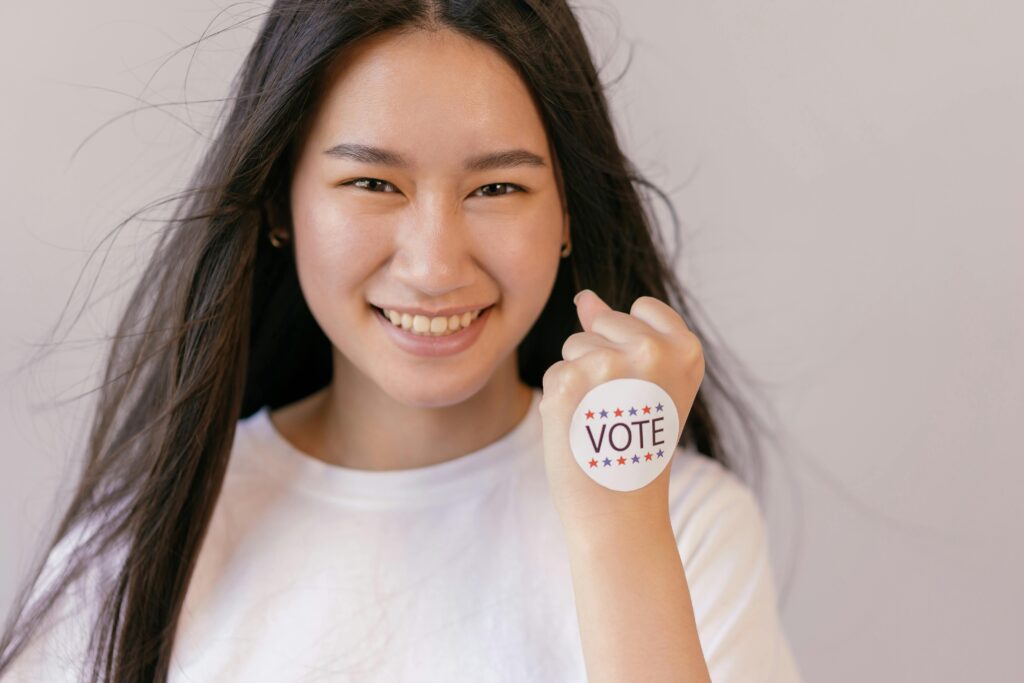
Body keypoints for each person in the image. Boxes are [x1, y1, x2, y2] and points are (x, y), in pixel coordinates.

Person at [0, 1, 802, 681]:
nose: (433, 264)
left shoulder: (682, 523)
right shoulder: (142, 543)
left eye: (497, 187)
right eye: (373, 183)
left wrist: (617, 521)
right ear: (281, 204)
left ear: (567, 215)